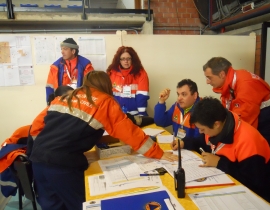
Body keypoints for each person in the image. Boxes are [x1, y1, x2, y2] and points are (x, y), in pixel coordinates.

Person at [29, 71, 177, 210]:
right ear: (107, 85)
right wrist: (158, 153)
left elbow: (36, 126)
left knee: (52, 206)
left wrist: (47, 148)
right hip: (62, 166)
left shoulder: (64, 97)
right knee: (83, 205)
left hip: (37, 160)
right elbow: (130, 132)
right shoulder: (105, 102)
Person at [183, 97, 270, 208]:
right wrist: (183, 143)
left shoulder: (249, 142)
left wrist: (220, 163)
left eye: (202, 129)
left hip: (263, 194)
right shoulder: (219, 124)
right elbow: (201, 143)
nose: (200, 132)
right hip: (227, 180)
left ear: (216, 124)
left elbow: (252, 182)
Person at [203, 57, 270, 147]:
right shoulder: (231, 82)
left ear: (222, 74)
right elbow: (226, 113)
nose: (207, 82)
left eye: (209, 78)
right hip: (260, 122)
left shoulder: (246, 86)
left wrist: (217, 138)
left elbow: (242, 123)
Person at [26, 85, 74, 157]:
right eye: (70, 98)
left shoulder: (58, 110)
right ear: (59, 98)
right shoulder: (53, 111)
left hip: (45, 149)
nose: (74, 100)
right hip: (40, 152)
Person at [154, 79, 201, 150]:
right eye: (178, 94)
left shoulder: (202, 110)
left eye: (184, 94)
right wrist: (161, 101)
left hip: (191, 151)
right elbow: (160, 122)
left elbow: (199, 141)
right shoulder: (177, 106)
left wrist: (184, 143)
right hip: (177, 147)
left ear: (194, 95)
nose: (179, 98)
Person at [45, 38, 94, 102]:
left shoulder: (86, 66)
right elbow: (50, 88)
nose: (62, 52)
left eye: (65, 49)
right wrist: (50, 103)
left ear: (73, 51)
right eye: (61, 49)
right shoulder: (55, 67)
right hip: (61, 100)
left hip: (80, 101)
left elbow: (92, 87)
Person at [106, 46, 149, 116]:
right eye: (123, 59)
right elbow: (107, 94)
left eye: (128, 58)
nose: (126, 61)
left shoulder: (141, 74)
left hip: (134, 114)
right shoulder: (111, 72)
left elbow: (142, 96)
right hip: (116, 113)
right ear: (119, 60)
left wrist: (142, 114)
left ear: (133, 59)